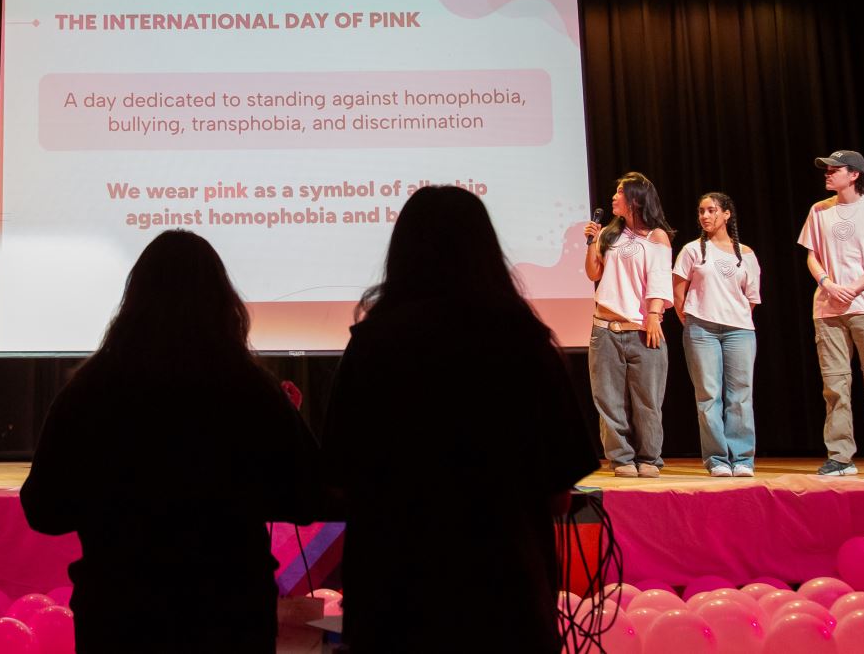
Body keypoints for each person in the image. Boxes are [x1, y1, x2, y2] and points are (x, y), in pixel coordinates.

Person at [324, 186, 596, 654]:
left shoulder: (371, 347)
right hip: (504, 601)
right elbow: (559, 499)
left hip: (393, 604)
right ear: (486, 252)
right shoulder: (526, 346)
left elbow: (339, 481)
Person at [21, 230, 320, 654]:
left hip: (119, 614)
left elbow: (43, 509)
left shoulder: (90, 389)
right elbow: (309, 496)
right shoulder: (253, 389)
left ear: (133, 302)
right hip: (230, 615)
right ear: (223, 302)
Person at [798, 150, 864, 477]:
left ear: (855, 174)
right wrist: (828, 283)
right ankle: (840, 456)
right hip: (828, 309)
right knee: (835, 386)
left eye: (835, 169)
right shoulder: (819, 210)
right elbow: (812, 256)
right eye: (827, 169)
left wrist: (855, 287)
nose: (828, 174)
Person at [583, 171, 674, 478]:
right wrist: (592, 242)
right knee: (608, 400)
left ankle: (649, 457)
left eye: (619, 192)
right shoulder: (610, 233)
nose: (613, 197)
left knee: (647, 399)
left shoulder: (656, 237)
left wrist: (653, 314)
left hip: (641, 326)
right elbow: (593, 274)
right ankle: (621, 458)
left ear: (635, 199)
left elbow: (660, 280)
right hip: (605, 328)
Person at [673, 192, 762, 477]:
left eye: (711, 211)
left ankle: (743, 459)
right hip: (701, 328)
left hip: (740, 331)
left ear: (726, 214)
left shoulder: (746, 254)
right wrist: (689, 316)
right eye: (701, 211)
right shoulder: (691, 250)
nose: (705, 216)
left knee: (740, 395)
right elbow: (678, 290)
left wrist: (734, 316)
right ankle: (717, 459)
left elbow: (751, 297)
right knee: (709, 396)